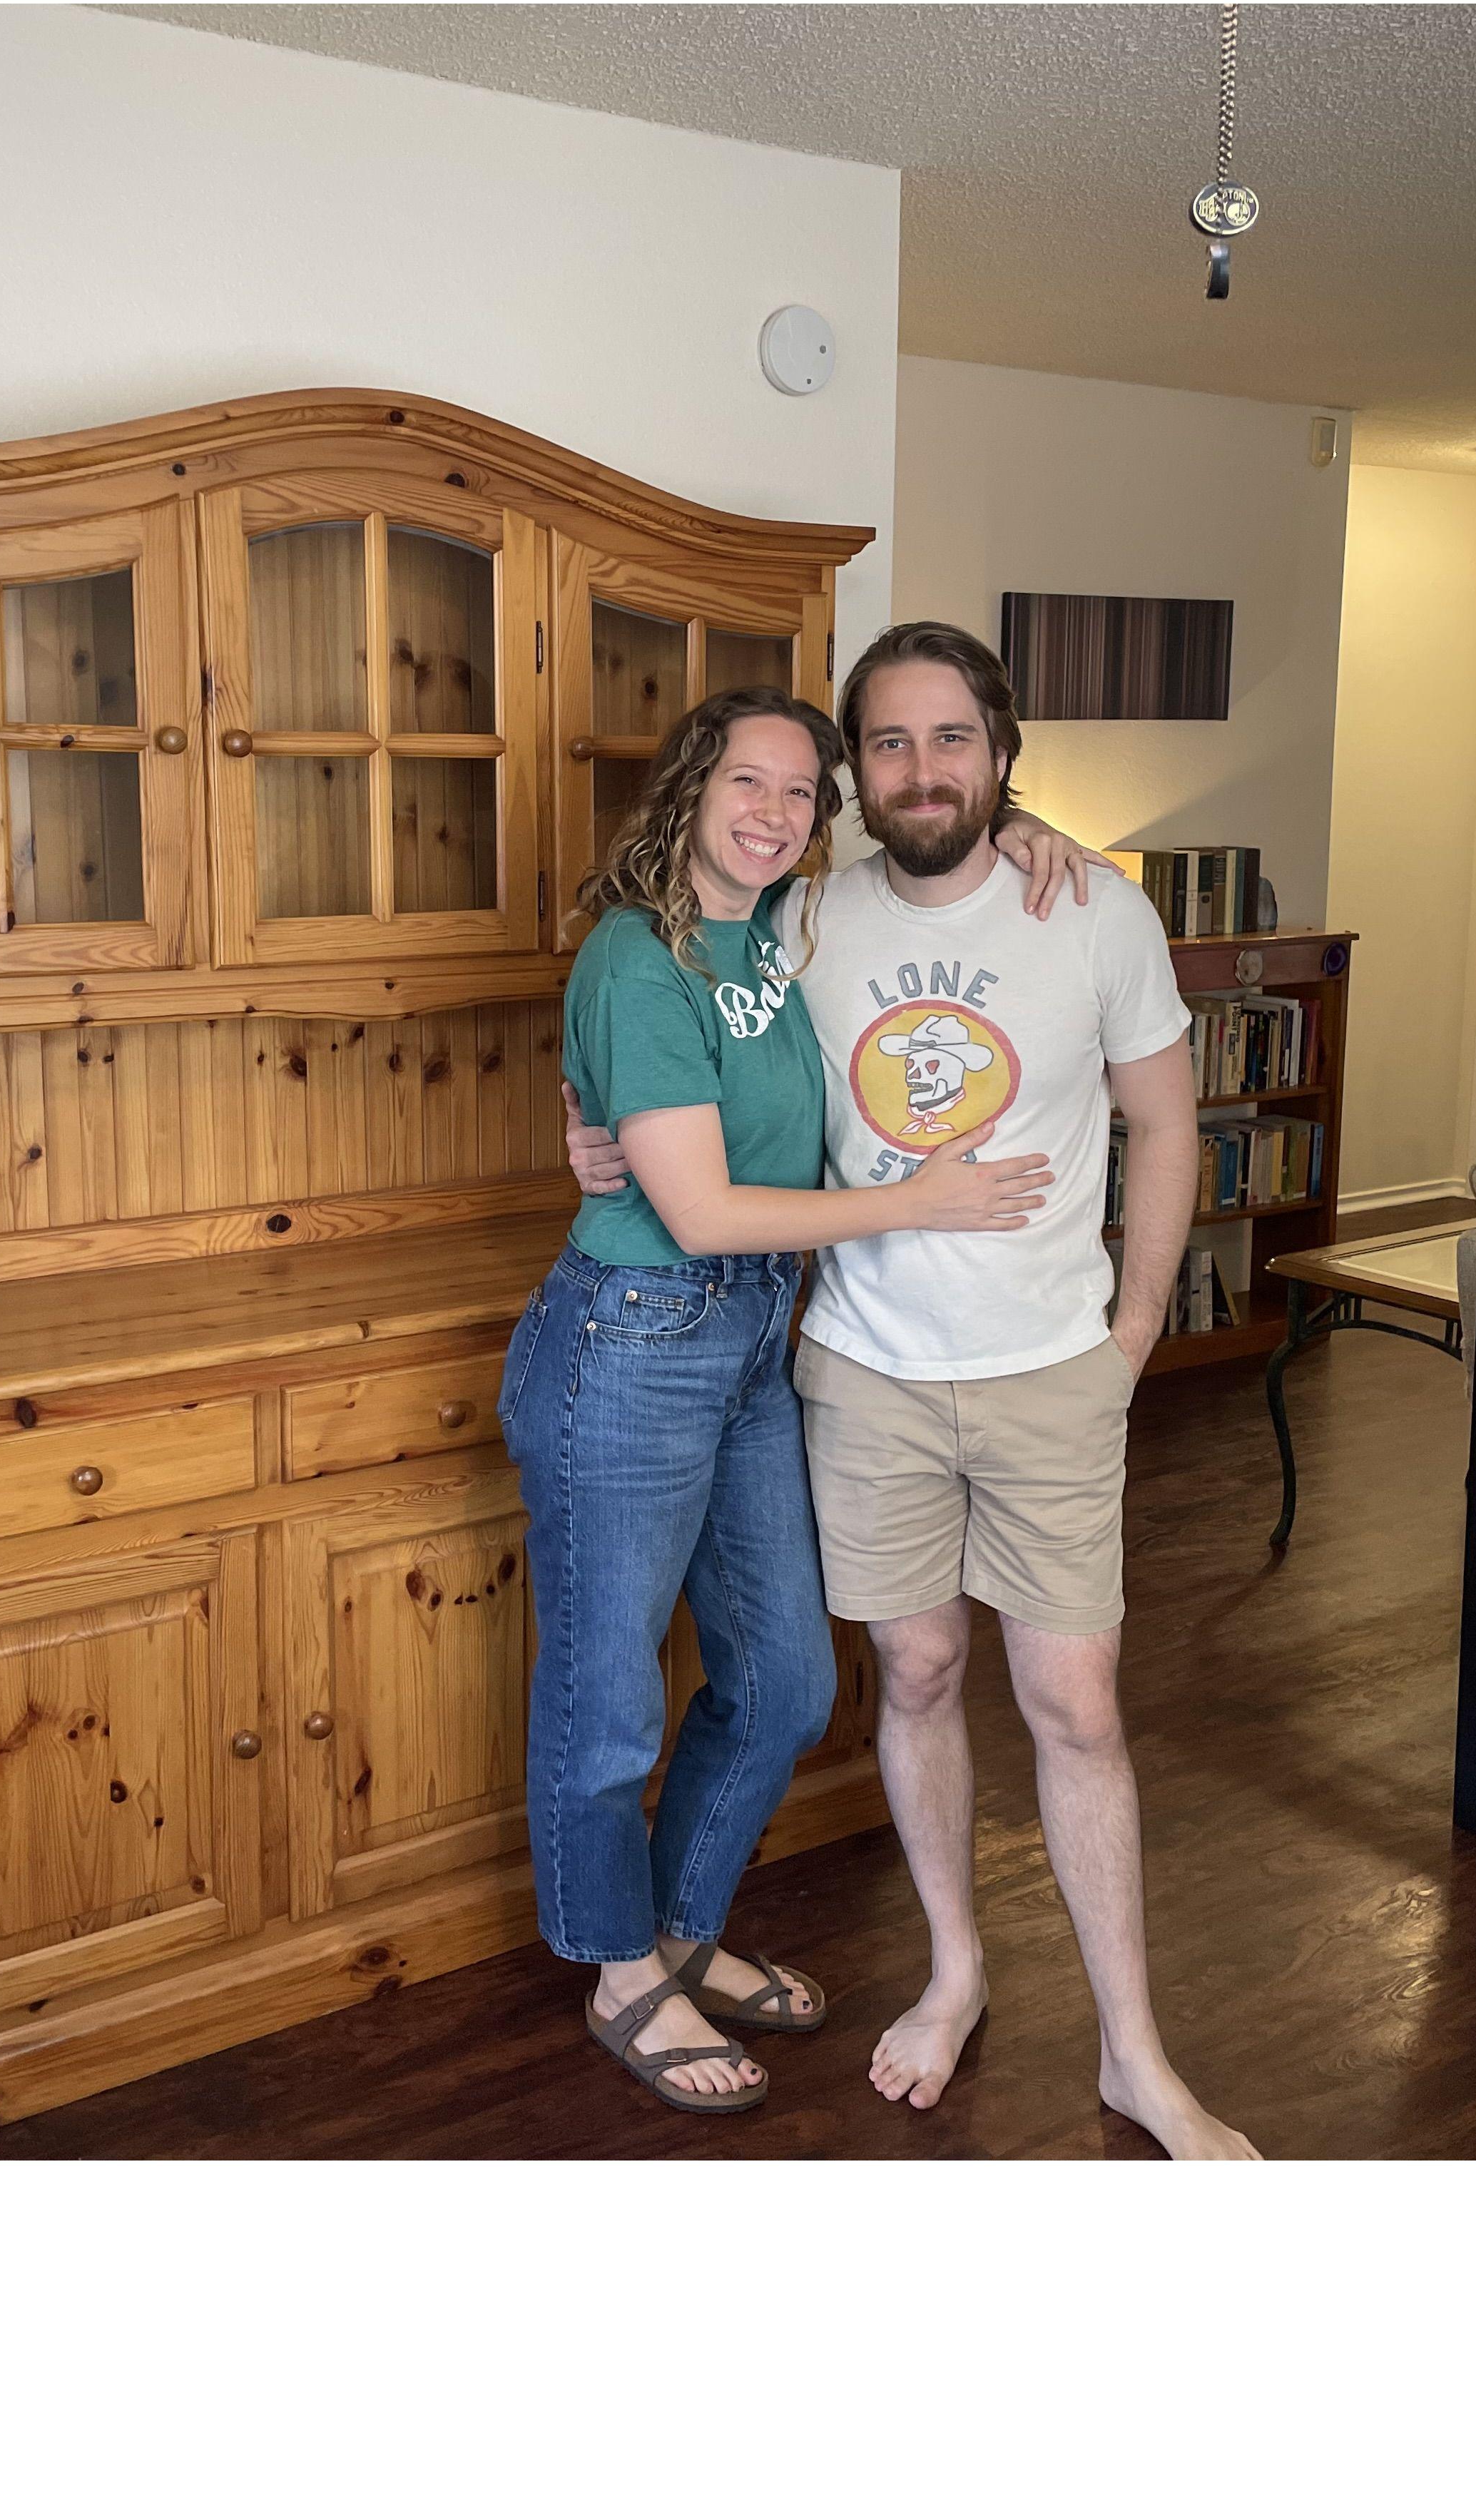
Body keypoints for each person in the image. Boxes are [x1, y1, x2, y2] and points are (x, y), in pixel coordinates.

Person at [567, 622, 1260, 2158]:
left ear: (1003, 753)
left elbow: (1167, 1122)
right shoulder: (803, 916)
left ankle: (1135, 2052)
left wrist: (1138, 1330)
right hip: (864, 1376)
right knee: (921, 1675)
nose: (923, 769)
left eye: (955, 739)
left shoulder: (1096, 910)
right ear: (855, 778)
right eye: (888, 744)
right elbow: (663, 1002)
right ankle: (954, 1971)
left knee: (1075, 1704)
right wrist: (586, 1120)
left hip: (1051, 1375)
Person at [507, 680, 1101, 2116]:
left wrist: (1030, 831)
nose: (776, 816)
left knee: (783, 1683)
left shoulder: (787, 925)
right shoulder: (637, 957)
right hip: (633, 1339)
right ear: (688, 791)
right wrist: (917, 1203)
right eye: (747, 784)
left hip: (754, 1339)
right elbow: (703, 1212)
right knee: (607, 1697)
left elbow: (935, 856)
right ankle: (620, 1971)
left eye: (800, 793)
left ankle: (678, 1932)